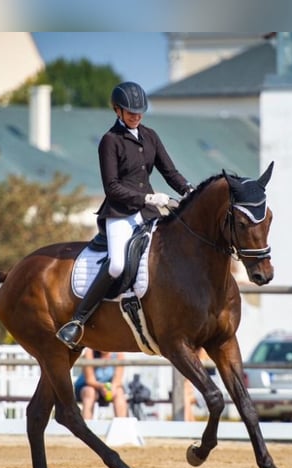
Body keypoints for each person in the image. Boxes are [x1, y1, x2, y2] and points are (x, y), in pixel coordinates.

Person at [57, 81, 195, 349]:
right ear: (117, 110)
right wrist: (148, 197)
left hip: (149, 213)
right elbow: (112, 187)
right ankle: (78, 320)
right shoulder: (110, 141)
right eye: (131, 112)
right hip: (120, 213)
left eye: (140, 111)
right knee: (117, 264)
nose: (136, 116)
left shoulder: (151, 136)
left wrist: (189, 190)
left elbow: (170, 172)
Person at [74, 348, 128, 420]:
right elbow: (90, 380)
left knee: (119, 392)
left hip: (109, 387)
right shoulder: (89, 352)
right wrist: (103, 386)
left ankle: (122, 424)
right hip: (88, 386)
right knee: (89, 391)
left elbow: (117, 379)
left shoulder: (119, 354)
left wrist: (111, 388)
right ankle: (86, 425)